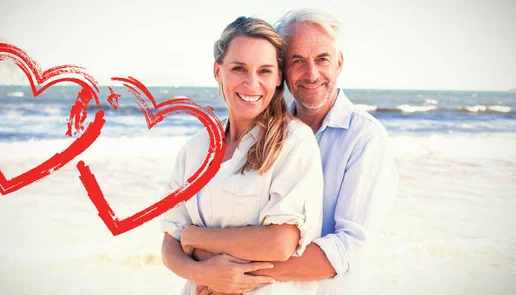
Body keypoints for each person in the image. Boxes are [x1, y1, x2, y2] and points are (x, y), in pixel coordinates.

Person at [190, 9, 399, 295]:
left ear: (339, 63)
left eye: (322, 59)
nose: (311, 74)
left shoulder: (365, 138)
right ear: (281, 69)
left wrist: (231, 275)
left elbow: (347, 249)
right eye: (297, 61)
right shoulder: (263, 134)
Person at [160, 16, 325, 295]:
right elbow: (169, 244)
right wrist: (200, 272)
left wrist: (195, 237)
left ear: (277, 78)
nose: (251, 83)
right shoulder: (195, 150)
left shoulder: (294, 142)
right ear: (218, 71)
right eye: (239, 68)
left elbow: (280, 243)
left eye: (264, 71)